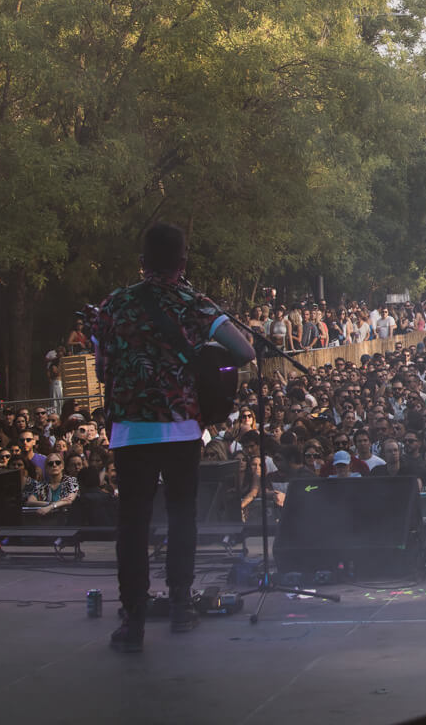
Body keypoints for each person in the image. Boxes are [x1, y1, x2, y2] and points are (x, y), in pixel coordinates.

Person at [93, 223, 254, 652]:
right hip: (181, 424)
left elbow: (102, 369)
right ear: (183, 262)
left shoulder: (113, 305)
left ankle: (133, 621)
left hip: (130, 427)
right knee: (183, 515)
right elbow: (244, 351)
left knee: (133, 522)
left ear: (141, 261)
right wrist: (203, 360)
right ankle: (181, 607)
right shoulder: (193, 303)